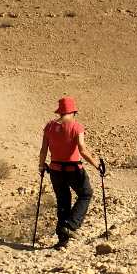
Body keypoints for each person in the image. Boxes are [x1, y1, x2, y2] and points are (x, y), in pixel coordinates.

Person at [39, 96, 102, 249]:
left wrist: (42, 166)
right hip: (73, 169)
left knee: (63, 202)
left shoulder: (49, 127)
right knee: (86, 193)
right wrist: (96, 165)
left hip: (55, 170)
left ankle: (62, 240)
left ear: (60, 112)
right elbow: (82, 149)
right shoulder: (76, 126)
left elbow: (43, 150)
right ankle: (71, 225)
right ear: (73, 111)